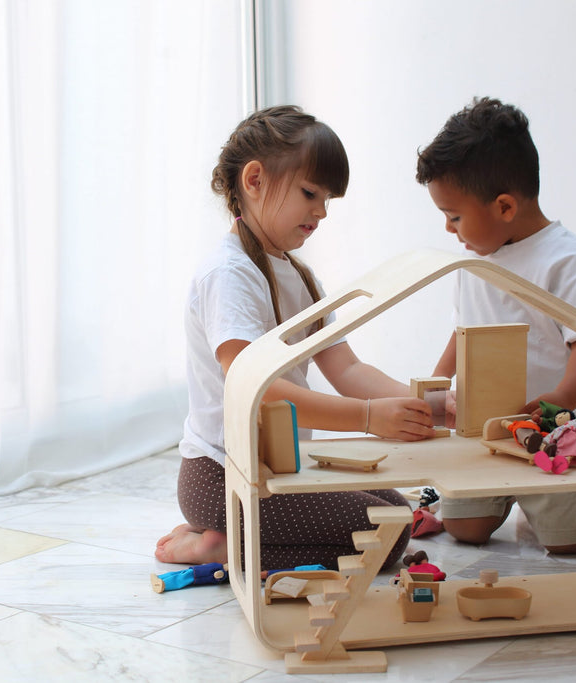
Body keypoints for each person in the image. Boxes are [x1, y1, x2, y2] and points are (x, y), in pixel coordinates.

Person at [155, 105, 437, 572]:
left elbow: (347, 368)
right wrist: (368, 417)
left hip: (278, 465)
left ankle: (231, 538)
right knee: (386, 537)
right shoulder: (229, 274)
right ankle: (221, 548)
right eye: (310, 193)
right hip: (222, 476)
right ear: (254, 180)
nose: (321, 211)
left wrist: (422, 405)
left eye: (327, 199)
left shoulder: (301, 276)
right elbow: (254, 386)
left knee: (395, 512)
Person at [415, 97, 576, 554]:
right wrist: (438, 383)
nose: (449, 229)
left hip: (553, 429)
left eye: (454, 216)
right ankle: (517, 497)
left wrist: (561, 400)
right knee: (465, 528)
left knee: (569, 541)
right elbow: (464, 332)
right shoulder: (473, 262)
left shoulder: (566, 260)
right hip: (488, 429)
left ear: (504, 207)